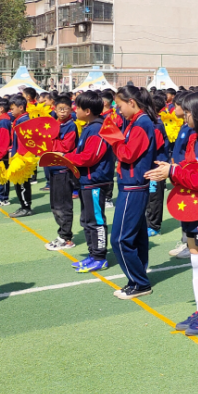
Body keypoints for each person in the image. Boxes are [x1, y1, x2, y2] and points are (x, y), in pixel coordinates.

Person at [147, 91, 198, 335]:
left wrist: (173, 172)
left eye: (190, 112)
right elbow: (190, 167)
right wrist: (172, 168)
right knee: (196, 261)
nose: (185, 116)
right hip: (194, 206)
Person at [106, 86, 159, 300]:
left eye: (120, 106)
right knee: (136, 237)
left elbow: (127, 154)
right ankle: (137, 279)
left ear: (131, 102)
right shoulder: (136, 122)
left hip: (134, 186)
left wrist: (112, 137)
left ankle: (139, 282)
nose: (119, 111)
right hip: (130, 184)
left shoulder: (142, 122)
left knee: (120, 239)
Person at [62, 90, 114, 273]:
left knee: (96, 220)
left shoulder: (98, 128)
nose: (74, 110)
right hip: (87, 181)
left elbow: (90, 157)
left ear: (88, 111)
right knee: (86, 219)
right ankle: (93, 254)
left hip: (96, 182)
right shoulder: (88, 127)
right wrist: (66, 156)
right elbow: (81, 153)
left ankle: (100, 257)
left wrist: (67, 159)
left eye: (78, 107)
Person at [44, 94, 79, 251]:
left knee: (63, 205)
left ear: (71, 109)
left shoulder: (71, 125)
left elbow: (65, 147)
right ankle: (62, 234)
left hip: (64, 169)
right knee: (55, 204)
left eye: (65, 109)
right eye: (60, 109)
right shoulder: (53, 124)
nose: (63, 112)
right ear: (55, 109)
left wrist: (52, 138)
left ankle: (66, 238)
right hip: (53, 168)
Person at [8, 95, 34, 217]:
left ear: (21, 107)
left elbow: (25, 141)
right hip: (18, 155)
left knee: (23, 183)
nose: (11, 111)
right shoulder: (19, 120)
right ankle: (23, 205)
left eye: (13, 108)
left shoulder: (24, 120)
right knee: (18, 182)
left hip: (22, 157)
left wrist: (20, 156)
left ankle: (26, 207)